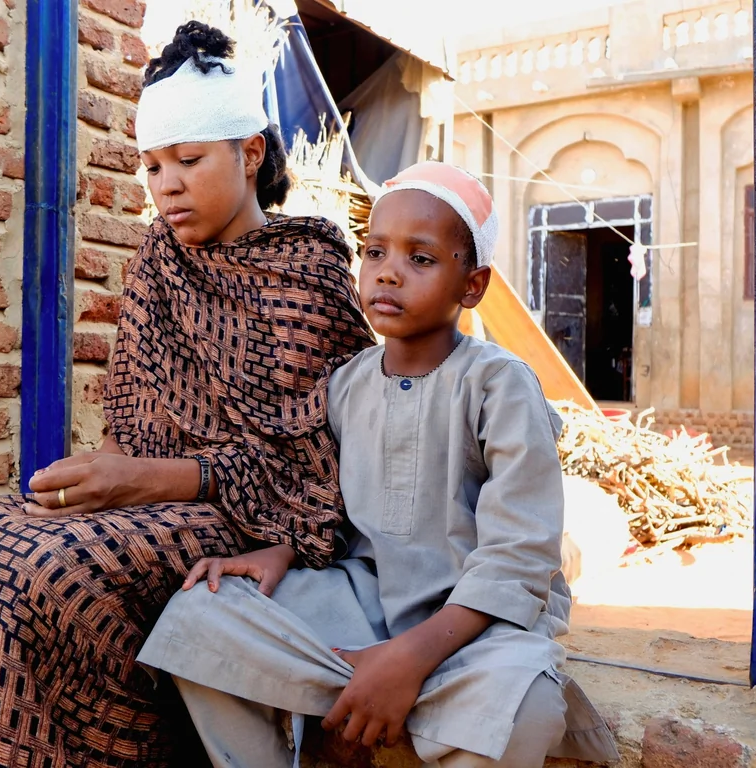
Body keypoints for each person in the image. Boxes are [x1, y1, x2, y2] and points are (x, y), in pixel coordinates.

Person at [0, 21, 374, 768]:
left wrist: (140, 480)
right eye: (153, 165)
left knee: (55, 573)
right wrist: (99, 481)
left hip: (246, 524)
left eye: (189, 160)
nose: (166, 183)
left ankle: (127, 752)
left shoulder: (309, 275)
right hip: (147, 501)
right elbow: (129, 419)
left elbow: (316, 470)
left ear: (250, 150)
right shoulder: (156, 261)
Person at [138, 162, 621, 767]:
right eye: (375, 252)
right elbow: (329, 508)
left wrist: (407, 659)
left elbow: (519, 558)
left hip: (477, 628)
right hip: (367, 602)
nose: (389, 272)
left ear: (471, 286)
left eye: (421, 259)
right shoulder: (345, 384)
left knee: (526, 705)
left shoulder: (499, 383)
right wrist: (284, 552)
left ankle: (408, 686)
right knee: (202, 614)